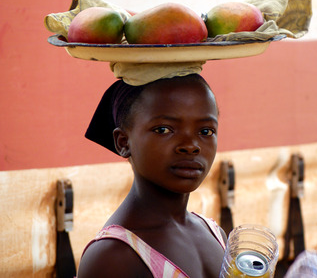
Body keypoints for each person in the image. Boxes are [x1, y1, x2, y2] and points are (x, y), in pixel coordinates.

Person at [77, 73, 227, 278]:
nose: (191, 146)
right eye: (164, 129)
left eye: (206, 131)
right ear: (123, 142)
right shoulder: (114, 257)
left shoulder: (213, 233)